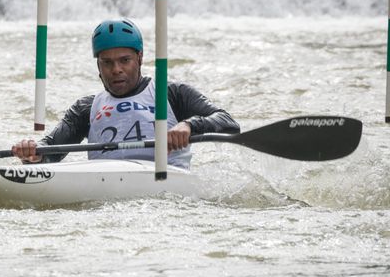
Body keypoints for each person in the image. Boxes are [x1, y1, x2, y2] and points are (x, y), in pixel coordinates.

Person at [12, 18, 240, 169]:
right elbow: (52, 149)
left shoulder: (171, 93)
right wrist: (33, 153)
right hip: (106, 186)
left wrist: (189, 126)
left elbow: (228, 122)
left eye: (125, 60)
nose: (116, 69)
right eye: (107, 62)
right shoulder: (86, 107)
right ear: (98, 65)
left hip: (166, 182)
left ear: (139, 59)